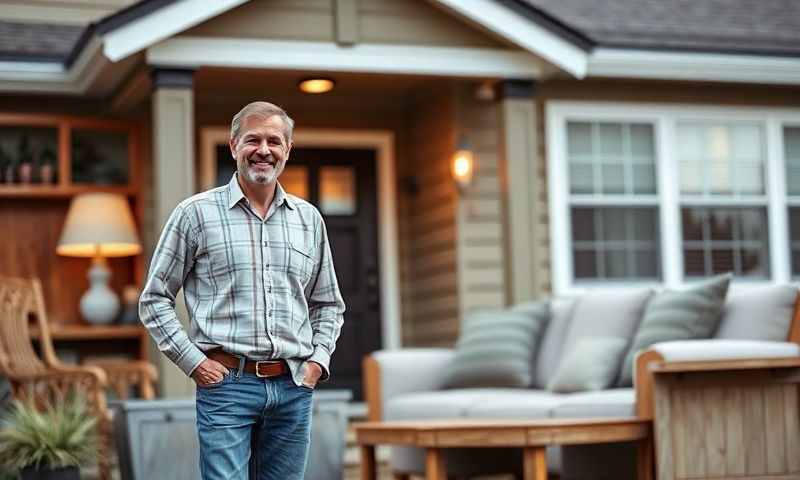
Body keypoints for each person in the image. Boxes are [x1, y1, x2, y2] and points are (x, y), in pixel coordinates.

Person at [139, 101, 346, 480]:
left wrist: (317, 362)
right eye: (253, 140)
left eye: (274, 141)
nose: (263, 150)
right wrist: (195, 363)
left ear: (288, 149)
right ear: (234, 146)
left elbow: (328, 303)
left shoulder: (309, 219)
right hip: (227, 387)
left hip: (293, 384)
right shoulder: (195, 214)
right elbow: (154, 299)